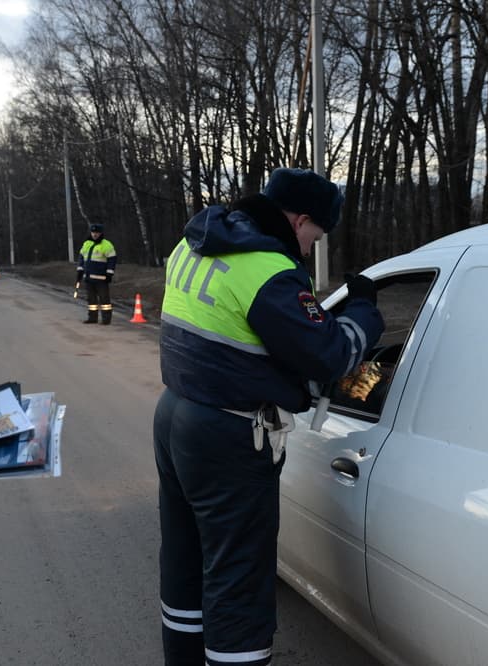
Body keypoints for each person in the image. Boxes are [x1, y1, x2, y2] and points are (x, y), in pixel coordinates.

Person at [153, 168, 384, 666]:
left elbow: (240, 332)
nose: (308, 248)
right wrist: (364, 310)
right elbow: (328, 356)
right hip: (228, 434)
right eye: (314, 236)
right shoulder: (268, 269)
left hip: (175, 413)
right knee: (239, 576)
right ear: (300, 220)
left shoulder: (195, 243)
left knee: (185, 559)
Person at [76, 222, 117, 324]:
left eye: (97, 233)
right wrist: (80, 271)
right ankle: (92, 318)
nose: (95, 234)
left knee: (104, 300)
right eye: (93, 232)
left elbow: (112, 260)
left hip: (101, 279)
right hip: (88, 278)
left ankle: (106, 319)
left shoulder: (106, 245)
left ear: (101, 233)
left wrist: (109, 273)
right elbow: (81, 258)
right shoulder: (86, 244)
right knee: (91, 300)